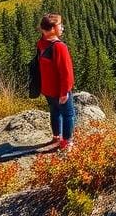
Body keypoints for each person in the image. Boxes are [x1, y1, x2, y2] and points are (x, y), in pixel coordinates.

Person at [37, 13, 76, 151]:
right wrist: (65, 91)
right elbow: (66, 72)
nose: (62, 28)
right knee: (69, 114)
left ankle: (56, 137)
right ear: (53, 28)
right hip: (60, 90)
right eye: (60, 25)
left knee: (54, 112)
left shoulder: (42, 43)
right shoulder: (59, 47)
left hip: (47, 89)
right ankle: (67, 142)